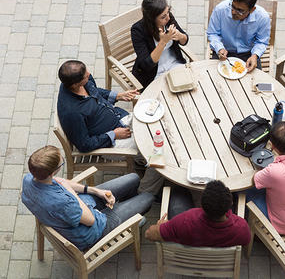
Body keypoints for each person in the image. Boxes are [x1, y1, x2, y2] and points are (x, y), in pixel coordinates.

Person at [57, 60, 164, 195]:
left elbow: (94, 90)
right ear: (75, 84)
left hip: (120, 117)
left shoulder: (77, 82)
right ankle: (145, 193)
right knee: (157, 155)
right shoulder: (72, 113)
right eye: (85, 76)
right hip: (110, 142)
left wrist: (118, 95)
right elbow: (84, 144)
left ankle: (140, 162)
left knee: (158, 122)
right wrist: (114, 134)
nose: (89, 74)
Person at [21, 146, 154, 251]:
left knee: (134, 178)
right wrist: (71, 192)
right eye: (62, 163)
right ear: (51, 172)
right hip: (93, 229)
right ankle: (129, 221)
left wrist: (95, 190)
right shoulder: (63, 203)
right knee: (148, 197)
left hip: (78, 208)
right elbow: (90, 220)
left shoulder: (29, 179)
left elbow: (60, 181)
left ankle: (126, 212)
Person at [145, 180, 251, 247]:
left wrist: (161, 225)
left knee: (178, 190)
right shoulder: (241, 228)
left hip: (188, 241)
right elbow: (246, 242)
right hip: (218, 262)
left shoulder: (185, 221)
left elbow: (148, 234)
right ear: (231, 203)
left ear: (201, 203)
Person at [207, 0, 270, 72]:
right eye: (233, 6)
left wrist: (255, 55)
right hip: (223, 51)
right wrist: (219, 48)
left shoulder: (263, 18)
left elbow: (262, 42)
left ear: (252, 10)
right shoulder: (220, 10)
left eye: (240, 10)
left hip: (249, 53)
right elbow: (212, 33)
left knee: (256, 83)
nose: (233, 12)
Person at [131, 0, 189, 89]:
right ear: (151, 18)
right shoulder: (138, 30)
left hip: (174, 64)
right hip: (152, 75)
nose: (168, 17)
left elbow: (185, 40)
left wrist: (180, 36)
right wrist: (163, 42)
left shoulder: (168, 18)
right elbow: (147, 64)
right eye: (163, 16)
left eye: (168, 12)